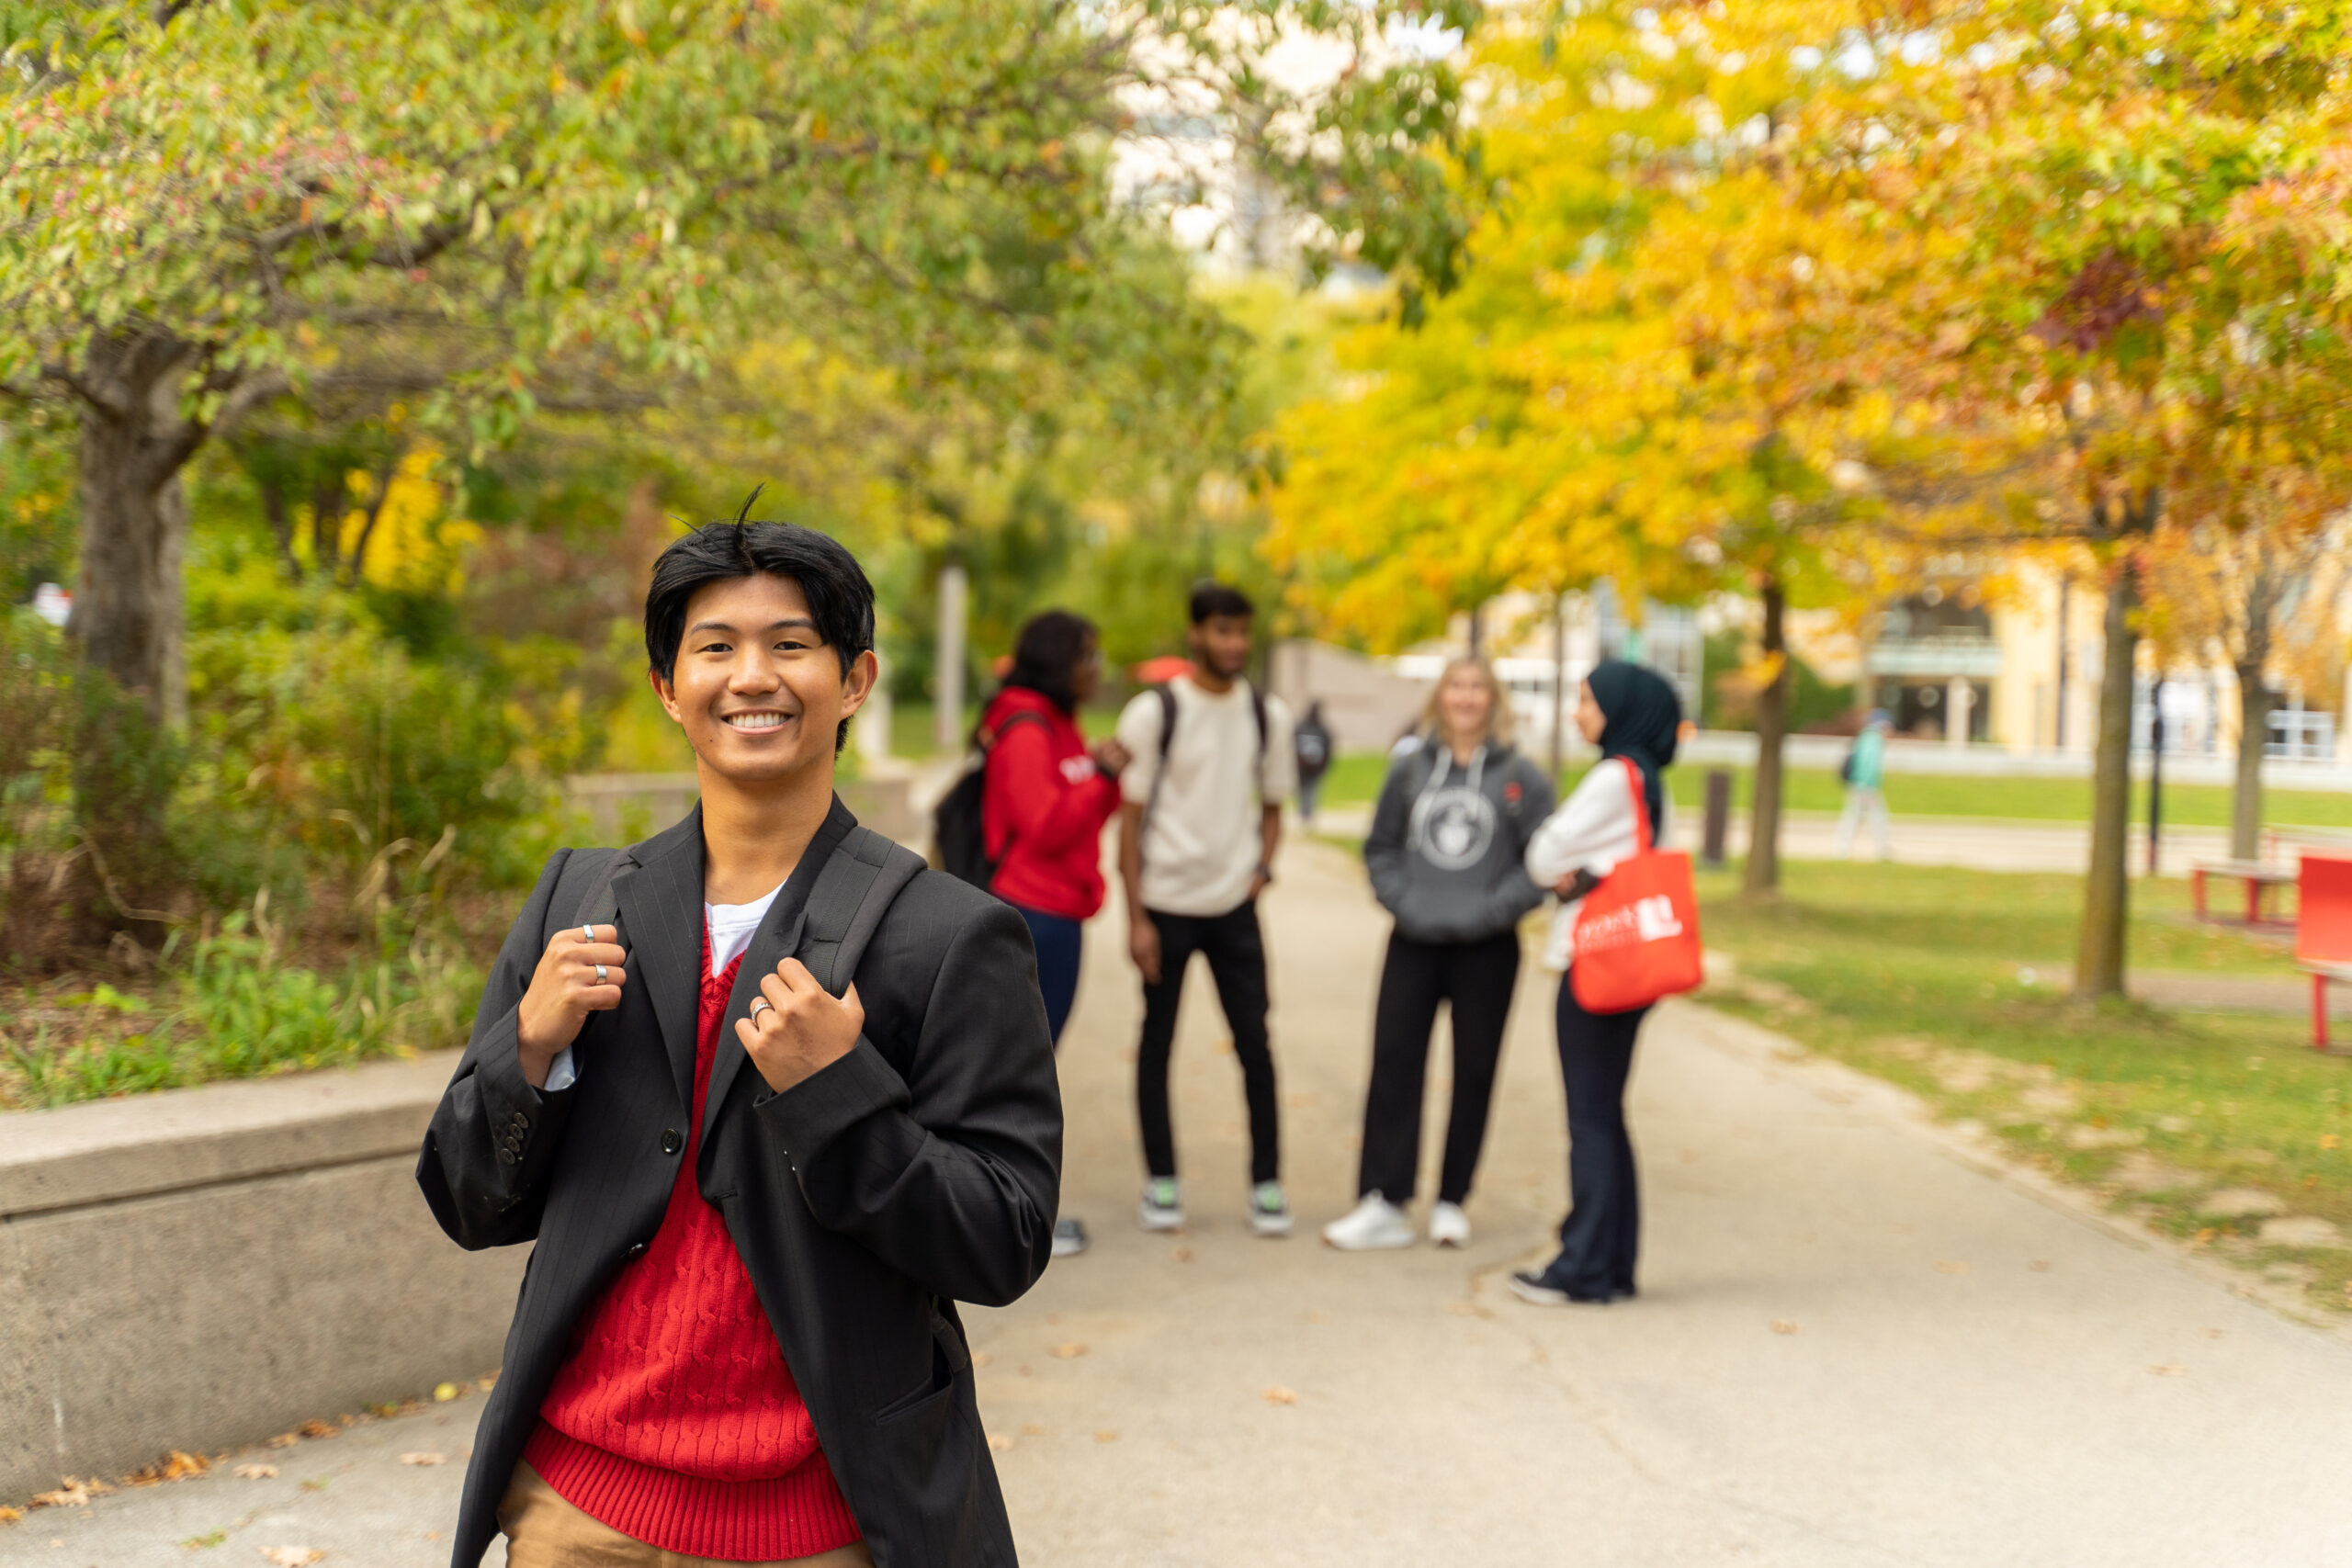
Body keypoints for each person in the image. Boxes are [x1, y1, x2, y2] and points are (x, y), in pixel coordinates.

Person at [417, 513, 1061, 1568]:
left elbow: (1003, 1240)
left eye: (790, 644)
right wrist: (526, 1050)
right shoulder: (579, 902)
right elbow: (466, 1200)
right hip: (577, 1512)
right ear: (670, 688)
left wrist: (842, 1093)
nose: (750, 676)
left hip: (819, 1530)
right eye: (714, 646)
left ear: (853, 681)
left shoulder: (949, 935)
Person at [1323, 659, 1554, 1252]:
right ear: (1439, 696)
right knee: (1395, 1065)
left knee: (1475, 1071)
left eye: (1478, 686)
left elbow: (1542, 864)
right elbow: (1380, 849)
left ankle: (1453, 1200)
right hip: (1414, 942)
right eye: (1456, 684)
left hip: (1488, 948)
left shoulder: (1523, 777)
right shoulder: (1408, 771)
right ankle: (1384, 1200)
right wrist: (1407, 905)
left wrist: (1489, 912)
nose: (1467, 696)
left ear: (1494, 699)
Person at [1114, 581, 1297, 1235]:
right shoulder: (1153, 711)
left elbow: (1274, 803)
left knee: (1257, 1043)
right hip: (1165, 903)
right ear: (1196, 633)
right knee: (1158, 1043)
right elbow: (1128, 824)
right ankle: (1162, 1182)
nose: (1234, 644)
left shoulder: (1264, 713)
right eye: (1222, 631)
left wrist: (1262, 867)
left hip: (1233, 906)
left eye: (1242, 632)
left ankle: (1268, 1183)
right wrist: (1135, 917)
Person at [1511, 660, 1681, 1306]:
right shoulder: (1650, 779)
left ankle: (1580, 1266)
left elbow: (1541, 855)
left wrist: (1574, 872)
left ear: (1621, 708)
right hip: (1637, 967)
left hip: (1596, 964)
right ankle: (1613, 1263)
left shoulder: (1615, 776)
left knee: (1589, 1119)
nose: (1577, 712)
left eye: (1587, 700)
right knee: (1607, 1115)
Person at [979, 609, 1131, 1258]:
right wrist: (1101, 778)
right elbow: (1043, 824)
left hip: (1061, 910)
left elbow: (1076, 807)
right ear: (1057, 659)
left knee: (1033, 1061)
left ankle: (1018, 1204)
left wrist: (1099, 773)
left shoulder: (1060, 724)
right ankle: (1008, 1210)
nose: (1094, 669)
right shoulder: (1025, 725)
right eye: (1086, 655)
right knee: (1021, 1065)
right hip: (1030, 913)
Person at [1836, 708, 1893, 860]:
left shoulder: (1865, 736)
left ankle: (1843, 848)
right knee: (1877, 816)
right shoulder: (1874, 739)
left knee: (1853, 816)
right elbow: (1868, 764)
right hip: (1865, 785)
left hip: (1858, 783)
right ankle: (1883, 849)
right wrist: (1870, 786)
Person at [1293, 699, 1334, 825]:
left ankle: (1307, 813)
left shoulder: (1320, 729)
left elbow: (1329, 748)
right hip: (1304, 765)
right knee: (1307, 789)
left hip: (1313, 766)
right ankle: (1305, 812)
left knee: (1310, 789)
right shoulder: (1307, 727)